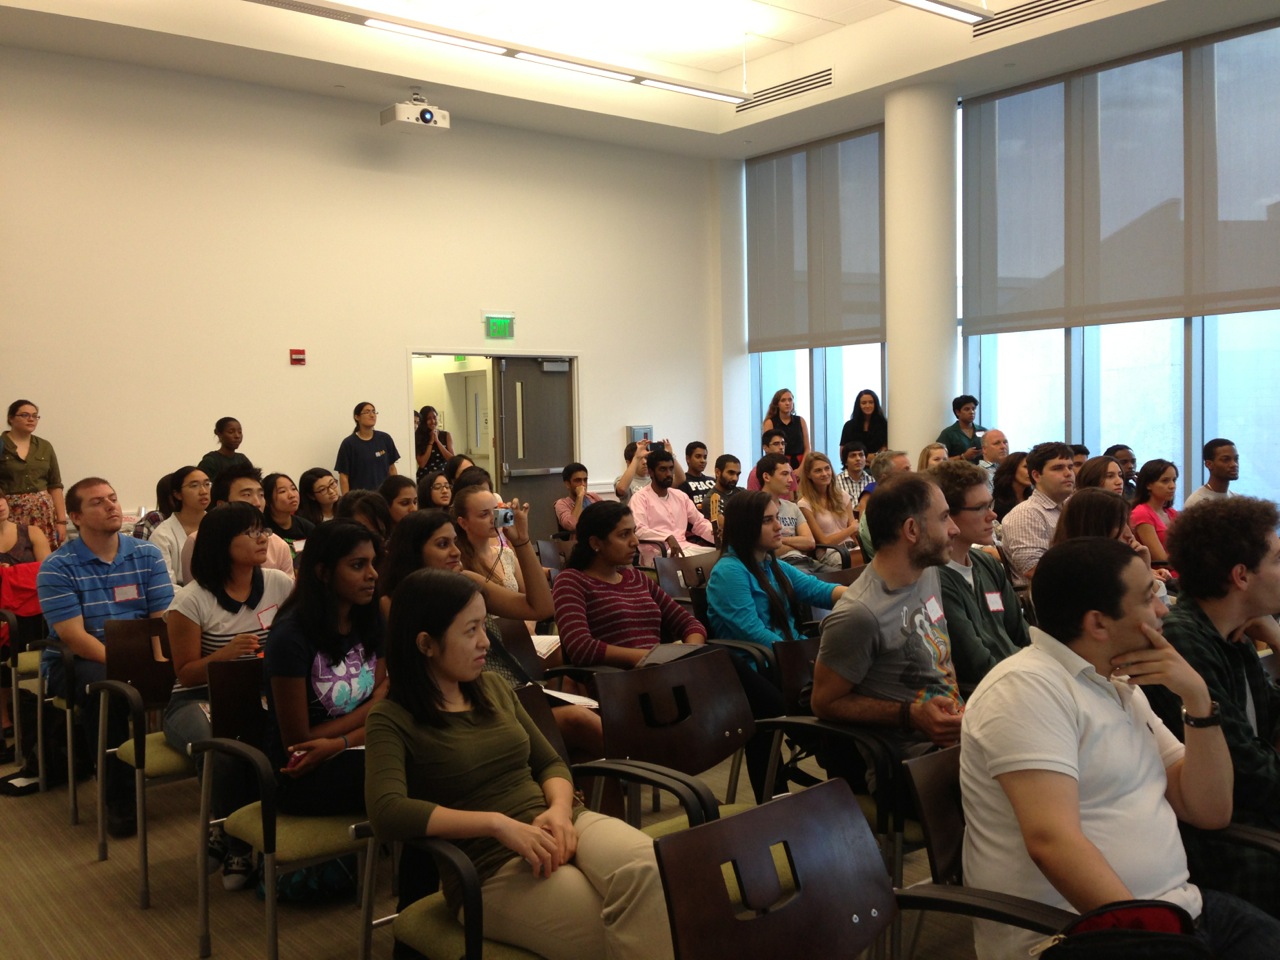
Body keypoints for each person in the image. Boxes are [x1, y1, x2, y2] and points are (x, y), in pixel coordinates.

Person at [960, 537, 1280, 960]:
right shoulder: (1027, 688)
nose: (1164, 608)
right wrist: (1154, 936)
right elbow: (1052, 841)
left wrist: (1199, 701)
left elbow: (1209, 809)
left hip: (1180, 908)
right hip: (1084, 935)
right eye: (1150, 598)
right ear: (1098, 624)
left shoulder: (1119, 684)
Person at [365, 568, 674, 960]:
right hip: (490, 865)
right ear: (426, 643)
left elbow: (550, 763)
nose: (484, 643)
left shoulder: (493, 688)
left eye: (485, 627)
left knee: (656, 870)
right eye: (470, 631)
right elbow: (387, 812)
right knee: (611, 930)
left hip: (559, 822)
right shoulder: (391, 719)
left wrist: (561, 812)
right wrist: (498, 824)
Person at [1145, 497, 1280, 917]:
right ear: (1241, 576)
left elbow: (1270, 721)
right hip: (1221, 843)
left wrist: (1276, 638)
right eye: (1278, 559)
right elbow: (1252, 775)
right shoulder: (1185, 642)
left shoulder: (1230, 633)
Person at [162, 502, 293, 890]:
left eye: (263, 530)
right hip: (196, 697)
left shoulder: (278, 583)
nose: (264, 538)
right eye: (251, 532)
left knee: (278, 737)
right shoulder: (191, 600)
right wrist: (223, 655)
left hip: (259, 692)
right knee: (221, 745)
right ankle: (233, 838)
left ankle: (242, 832)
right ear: (223, 543)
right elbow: (184, 673)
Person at [36, 477, 174, 836]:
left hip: (141, 650)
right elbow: (75, 638)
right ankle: (119, 798)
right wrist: (130, 669)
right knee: (109, 690)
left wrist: (160, 663)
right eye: (98, 502)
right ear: (76, 516)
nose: (112, 506)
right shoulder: (57, 566)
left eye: (113, 498)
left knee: (190, 670)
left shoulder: (146, 554)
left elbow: (160, 621)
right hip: (79, 660)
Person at [812, 473, 964, 783]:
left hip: (956, 742)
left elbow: (940, 663)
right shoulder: (860, 614)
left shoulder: (927, 572)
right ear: (912, 530)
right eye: (944, 517)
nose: (955, 529)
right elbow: (824, 703)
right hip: (912, 768)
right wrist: (911, 715)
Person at [264, 520, 386, 816]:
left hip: (352, 748)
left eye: (373, 563)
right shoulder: (290, 636)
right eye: (358, 565)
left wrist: (340, 742)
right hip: (305, 771)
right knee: (413, 775)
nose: (372, 575)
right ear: (323, 572)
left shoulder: (370, 619)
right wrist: (373, 713)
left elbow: (387, 705)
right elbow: (299, 741)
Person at [551, 501, 706, 667]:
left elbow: (690, 624)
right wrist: (652, 658)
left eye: (634, 532)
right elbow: (581, 648)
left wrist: (689, 655)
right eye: (624, 535)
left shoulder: (636, 578)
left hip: (662, 671)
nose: (635, 542)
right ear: (596, 543)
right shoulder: (571, 582)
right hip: (618, 683)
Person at [930, 461, 1029, 686]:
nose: (992, 515)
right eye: (981, 508)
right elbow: (975, 664)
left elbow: (1022, 635)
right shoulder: (934, 577)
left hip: (1019, 679)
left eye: (990, 504)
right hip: (989, 693)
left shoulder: (987, 564)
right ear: (948, 515)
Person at [707, 490, 845, 650]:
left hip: (790, 653)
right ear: (744, 526)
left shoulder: (770, 564)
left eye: (777, 517)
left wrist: (861, 596)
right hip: (766, 665)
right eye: (767, 520)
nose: (779, 526)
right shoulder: (728, 572)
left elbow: (816, 589)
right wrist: (802, 654)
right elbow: (754, 633)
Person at [184, 465, 295, 580]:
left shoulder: (279, 546)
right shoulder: (198, 541)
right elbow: (195, 591)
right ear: (222, 505)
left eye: (261, 495)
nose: (257, 503)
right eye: (247, 495)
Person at [1001, 441, 1075, 586]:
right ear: (1036, 475)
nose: (1068, 473)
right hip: (1044, 598)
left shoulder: (1072, 507)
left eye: (1070, 467)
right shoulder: (1026, 514)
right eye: (1058, 468)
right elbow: (1033, 570)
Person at [628, 448, 715, 565]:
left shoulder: (680, 496)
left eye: (671, 469)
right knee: (697, 564)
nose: (668, 474)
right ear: (651, 472)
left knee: (721, 558)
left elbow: (699, 523)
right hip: (658, 554)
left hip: (686, 548)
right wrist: (666, 537)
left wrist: (718, 535)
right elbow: (639, 530)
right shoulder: (639, 498)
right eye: (663, 469)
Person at [0, 399, 67, 548]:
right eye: (24, 415)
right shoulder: (1, 445)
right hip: (10, 516)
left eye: (35, 416)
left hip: (43, 515)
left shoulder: (44, 446)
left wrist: (61, 521)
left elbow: (55, 485)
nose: (31, 419)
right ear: (11, 418)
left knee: (43, 560)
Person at [148, 466, 211, 584]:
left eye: (207, 484)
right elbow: (166, 584)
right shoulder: (162, 535)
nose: (203, 491)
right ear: (177, 494)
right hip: (181, 598)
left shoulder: (220, 525)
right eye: (194, 485)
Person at [756, 454, 819, 571]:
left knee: (849, 579)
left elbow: (810, 542)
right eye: (785, 474)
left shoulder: (792, 507)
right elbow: (763, 548)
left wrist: (779, 540)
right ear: (766, 477)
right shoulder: (755, 508)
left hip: (806, 561)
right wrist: (796, 542)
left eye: (790, 474)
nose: (791, 479)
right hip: (780, 566)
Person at [796, 452, 858, 561]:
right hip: (830, 552)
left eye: (827, 468)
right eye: (818, 471)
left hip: (851, 547)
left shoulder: (842, 496)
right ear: (809, 475)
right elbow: (824, 541)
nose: (824, 473)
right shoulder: (804, 504)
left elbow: (854, 533)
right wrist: (851, 528)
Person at [335, 401, 400, 493]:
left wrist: (396, 491)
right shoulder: (349, 443)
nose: (372, 415)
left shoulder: (385, 438)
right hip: (360, 498)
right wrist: (347, 500)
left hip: (384, 496)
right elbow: (344, 476)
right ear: (357, 417)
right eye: (367, 412)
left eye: (374, 412)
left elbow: (392, 468)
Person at [1130, 459, 1179, 565]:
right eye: (1165, 481)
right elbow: (1161, 559)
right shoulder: (1141, 513)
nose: (1172, 486)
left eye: (1174, 480)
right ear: (1148, 485)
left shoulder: (1172, 513)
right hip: (1163, 574)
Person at [262, 472, 316, 561]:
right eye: (282, 491)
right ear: (267, 499)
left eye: (293, 489)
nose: (292, 495)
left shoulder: (306, 527)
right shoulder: (263, 529)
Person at [0, 484, 51, 565]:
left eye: (1, 498)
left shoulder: (33, 533)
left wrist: (10, 572)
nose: (0, 504)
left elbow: (48, 572)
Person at [1183, 438, 1239, 509]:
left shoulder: (1236, 500)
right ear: (1209, 464)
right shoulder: (1196, 502)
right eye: (1226, 459)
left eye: (1236, 459)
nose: (1234, 464)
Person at [761, 388, 810, 469]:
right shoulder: (770, 422)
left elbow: (807, 448)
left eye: (790, 400)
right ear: (777, 404)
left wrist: (801, 469)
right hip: (779, 463)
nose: (787, 403)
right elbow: (769, 449)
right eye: (783, 400)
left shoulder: (801, 420)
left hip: (802, 463)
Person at [196, 417, 252, 486]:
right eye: (231, 432)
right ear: (219, 434)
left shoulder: (242, 459)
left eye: (239, 432)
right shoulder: (210, 461)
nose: (237, 436)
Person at [745, 430, 796, 496]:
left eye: (783, 444)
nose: (781, 447)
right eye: (776, 444)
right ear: (765, 448)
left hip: (785, 505)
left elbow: (792, 496)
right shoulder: (756, 473)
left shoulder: (788, 468)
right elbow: (752, 500)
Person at [554, 462, 600, 535]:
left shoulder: (593, 496)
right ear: (567, 484)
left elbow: (608, 515)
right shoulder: (561, 504)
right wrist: (580, 497)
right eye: (578, 480)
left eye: (585, 480)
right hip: (580, 541)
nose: (583, 484)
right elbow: (573, 525)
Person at [839, 389, 888, 455]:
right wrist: (867, 458)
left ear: (875, 404)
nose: (867, 406)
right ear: (858, 405)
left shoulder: (884, 425)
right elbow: (843, 453)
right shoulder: (849, 426)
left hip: (877, 464)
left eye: (871, 402)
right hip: (854, 464)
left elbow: (885, 451)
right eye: (864, 403)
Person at [936, 394, 984, 461]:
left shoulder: (983, 431)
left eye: (973, 409)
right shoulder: (948, 433)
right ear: (958, 412)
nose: (972, 412)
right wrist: (963, 457)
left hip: (982, 470)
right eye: (967, 409)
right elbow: (939, 461)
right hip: (957, 470)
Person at [700, 454, 741, 528]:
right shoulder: (710, 500)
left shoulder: (742, 492)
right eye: (731, 473)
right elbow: (725, 530)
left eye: (738, 474)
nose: (735, 478)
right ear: (718, 472)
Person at [413, 405, 454, 479]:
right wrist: (431, 442)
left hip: (443, 475)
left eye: (434, 418)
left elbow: (452, 460)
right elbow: (422, 463)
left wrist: (437, 441)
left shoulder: (446, 435)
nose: (433, 421)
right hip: (425, 477)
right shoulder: (418, 437)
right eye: (429, 419)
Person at [677, 442, 717, 514]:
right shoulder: (683, 482)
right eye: (698, 456)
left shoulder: (713, 481)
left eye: (705, 457)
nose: (703, 461)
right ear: (688, 459)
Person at [991, 451, 1031, 522]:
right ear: (1012, 468)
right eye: (1026, 467)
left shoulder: (1033, 497)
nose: (1031, 472)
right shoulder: (997, 503)